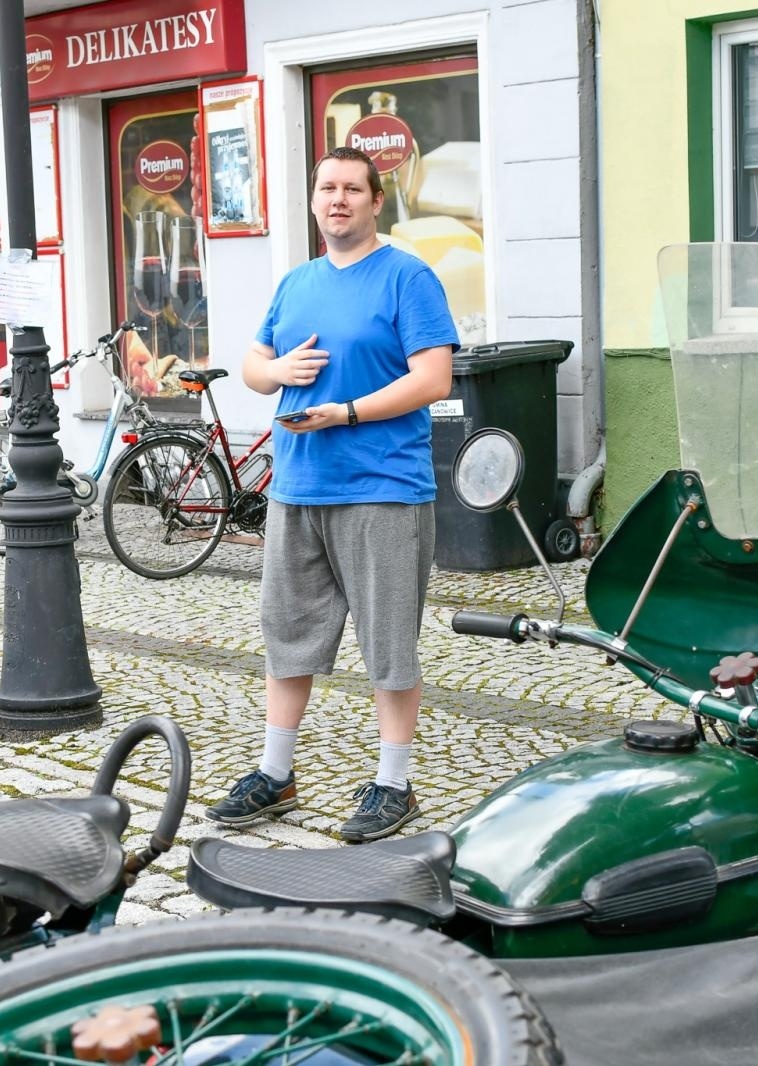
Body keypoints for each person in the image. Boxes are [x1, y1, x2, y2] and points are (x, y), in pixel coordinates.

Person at [205, 146, 457, 843]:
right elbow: (255, 366)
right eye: (327, 187)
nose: (338, 198)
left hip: (383, 490)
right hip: (298, 487)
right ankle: (275, 774)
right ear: (313, 202)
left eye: (353, 188)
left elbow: (434, 378)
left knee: (389, 648)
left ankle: (393, 784)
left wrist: (345, 412)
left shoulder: (408, 276)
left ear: (377, 201)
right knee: (287, 637)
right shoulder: (296, 283)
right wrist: (275, 369)